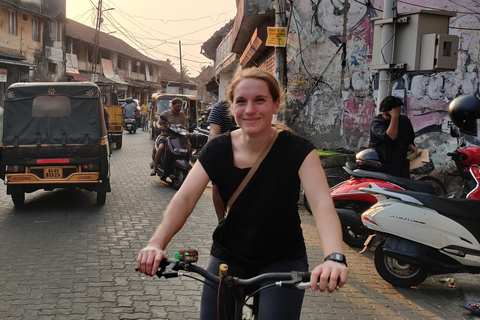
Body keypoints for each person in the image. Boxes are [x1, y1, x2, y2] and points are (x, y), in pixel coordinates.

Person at [137, 67, 348, 320]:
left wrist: (334, 257)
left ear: (276, 105)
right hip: (230, 254)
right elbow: (184, 198)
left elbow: (322, 204)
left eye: (260, 100)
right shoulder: (217, 148)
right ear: (231, 107)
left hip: (283, 258)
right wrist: (156, 243)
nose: (250, 110)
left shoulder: (299, 150)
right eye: (241, 101)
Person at [369, 95, 418, 178]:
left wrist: (410, 146)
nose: (385, 116)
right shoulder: (377, 123)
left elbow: (408, 140)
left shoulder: (404, 121)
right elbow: (390, 137)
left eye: (389, 115)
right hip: (383, 169)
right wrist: (394, 117)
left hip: (400, 168)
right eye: (385, 114)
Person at [207, 99, 237, 221]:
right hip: (221, 149)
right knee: (217, 185)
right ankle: (221, 220)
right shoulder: (219, 108)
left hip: (243, 150)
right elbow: (214, 134)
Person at [150, 97, 188, 176]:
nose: (179, 108)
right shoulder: (165, 113)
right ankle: (154, 167)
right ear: (172, 106)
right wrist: (160, 127)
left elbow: (185, 125)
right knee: (161, 148)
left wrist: (185, 129)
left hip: (179, 137)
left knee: (189, 147)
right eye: (177, 106)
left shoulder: (182, 114)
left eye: (180, 106)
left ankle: (187, 164)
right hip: (166, 136)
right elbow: (158, 123)